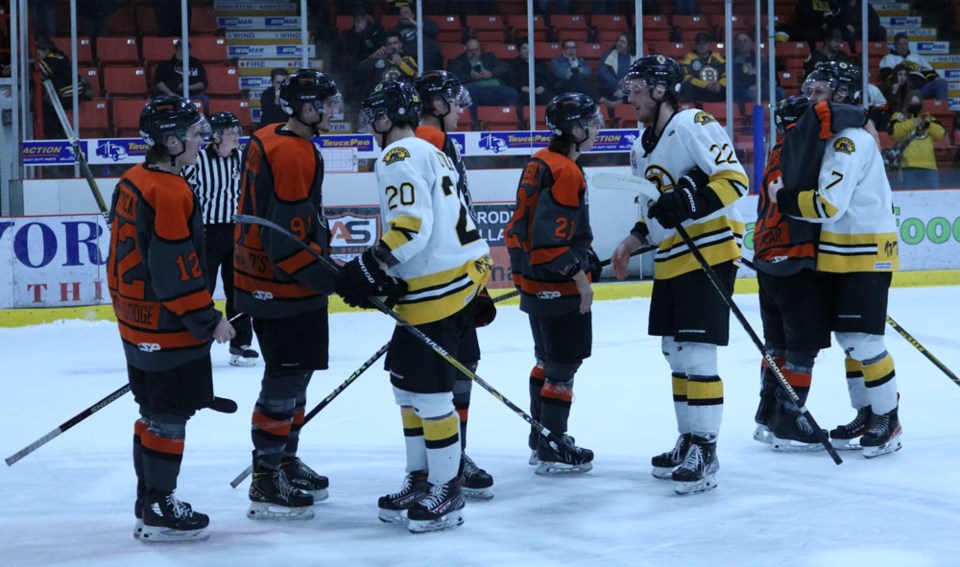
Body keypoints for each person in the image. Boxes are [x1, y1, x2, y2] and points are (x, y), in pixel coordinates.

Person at [337, 79, 491, 533]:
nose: (371, 128)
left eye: (373, 119)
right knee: (406, 387)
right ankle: (423, 477)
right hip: (455, 279)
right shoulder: (431, 150)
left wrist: (371, 264)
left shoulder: (397, 154)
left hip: (440, 290)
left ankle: (448, 489)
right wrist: (385, 277)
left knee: (427, 393)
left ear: (386, 118)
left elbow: (409, 228)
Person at [611, 55, 749, 494]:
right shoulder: (639, 146)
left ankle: (705, 450)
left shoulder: (693, 123)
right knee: (676, 352)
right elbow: (654, 214)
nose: (629, 94)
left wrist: (687, 203)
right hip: (672, 257)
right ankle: (689, 438)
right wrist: (631, 242)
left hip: (710, 250)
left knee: (697, 353)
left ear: (660, 89)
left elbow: (734, 180)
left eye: (637, 86)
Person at [106, 95, 236, 542]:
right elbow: (174, 269)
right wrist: (209, 319)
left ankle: (148, 500)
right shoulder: (168, 190)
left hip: (135, 323)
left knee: (154, 412)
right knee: (169, 416)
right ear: (169, 140)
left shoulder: (132, 179)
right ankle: (161, 504)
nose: (204, 139)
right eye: (195, 133)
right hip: (167, 328)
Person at [770, 61, 902, 460]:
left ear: (842, 94)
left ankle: (889, 419)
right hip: (844, 253)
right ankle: (866, 414)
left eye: (820, 90)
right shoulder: (836, 136)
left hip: (865, 253)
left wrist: (783, 199)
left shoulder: (849, 140)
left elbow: (828, 204)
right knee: (850, 342)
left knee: (865, 341)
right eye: (809, 88)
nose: (811, 97)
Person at [234, 70, 344, 521]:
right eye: (325, 103)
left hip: (261, 280)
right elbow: (289, 243)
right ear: (303, 107)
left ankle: (282, 460)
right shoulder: (295, 154)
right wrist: (335, 279)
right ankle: (265, 478)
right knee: (285, 379)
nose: (332, 110)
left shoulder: (266, 136)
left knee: (294, 378)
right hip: (285, 288)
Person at [752, 93, 870, 452]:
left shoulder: (776, 152)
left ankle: (768, 413)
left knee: (777, 345)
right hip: (797, 259)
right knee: (802, 348)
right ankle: (790, 417)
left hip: (767, 260)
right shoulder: (802, 149)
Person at [504, 92, 603, 476]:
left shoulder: (538, 161)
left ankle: (541, 437)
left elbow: (517, 232)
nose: (596, 128)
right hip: (558, 287)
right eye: (591, 122)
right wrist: (580, 278)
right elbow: (549, 244)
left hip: (536, 284)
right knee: (562, 367)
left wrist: (524, 278)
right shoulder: (566, 170)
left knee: (546, 361)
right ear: (574, 129)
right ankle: (554, 445)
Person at [413, 70, 496, 500]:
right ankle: (444, 460)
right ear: (438, 104)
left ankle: (448, 455)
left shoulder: (433, 139)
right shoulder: (431, 139)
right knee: (445, 373)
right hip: (445, 284)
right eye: (456, 102)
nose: (462, 110)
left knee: (453, 369)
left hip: (449, 277)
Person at [182, 111, 258, 367]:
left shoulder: (243, 157)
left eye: (238, 130)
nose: (237, 135)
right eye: (231, 132)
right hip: (207, 234)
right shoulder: (199, 160)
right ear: (215, 136)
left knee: (240, 291)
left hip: (237, 233)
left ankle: (241, 342)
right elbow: (183, 192)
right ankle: (197, 341)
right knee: (203, 289)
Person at [886, 90, 945, 189]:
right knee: (910, 200)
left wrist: (928, 125)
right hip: (908, 167)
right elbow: (894, 133)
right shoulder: (899, 117)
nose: (915, 105)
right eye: (912, 103)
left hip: (929, 167)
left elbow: (941, 135)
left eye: (917, 103)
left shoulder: (929, 118)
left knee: (934, 200)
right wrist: (913, 123)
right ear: (907, 103)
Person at [36, 37, 92, 140]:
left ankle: (53, 135)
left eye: (38, 54)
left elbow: (38, 75)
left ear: (46, 51)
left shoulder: (49, 61)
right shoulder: (61, 57)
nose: (38, 57)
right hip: (78, 92)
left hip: (68, 95)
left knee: (47, 106)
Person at [448, 39, 519, 112]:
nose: (473, 52)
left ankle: (508, 118)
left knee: (512, 93)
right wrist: (471, 77)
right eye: (470, 50)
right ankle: (473, 121)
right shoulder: (460, 62)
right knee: (467, 91)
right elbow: (455, 78)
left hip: (495, 88)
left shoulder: (489, 57)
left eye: (476, 50)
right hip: (476, 90)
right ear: (466, 51)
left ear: (480, 50)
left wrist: (490, 73)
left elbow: (504, 66)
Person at [878, 32, 948, 101]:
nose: (903, 47)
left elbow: (929, 72)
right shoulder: (889, 58)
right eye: (901, 44)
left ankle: (941, 110)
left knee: (941, 82)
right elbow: (886, 75)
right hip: (903, 90)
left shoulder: (917, 57)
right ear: (895, 45)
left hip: (921, 90)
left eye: (906, 44)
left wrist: (935, 77)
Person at [731, 32, 785, 109]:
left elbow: (774, 78)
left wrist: (761, 85)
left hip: (763, 88)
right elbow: (736, 80)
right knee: (752, 94)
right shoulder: (733, 60)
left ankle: (778, 116)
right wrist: (749, 85)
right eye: (739, 41)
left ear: (750, 43)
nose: (742, 43)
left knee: (779, 91)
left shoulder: (761, 59)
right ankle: (752, 118)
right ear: (736, 44)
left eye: (745, 41)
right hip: (746, 91)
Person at [154, 39, 209, 110]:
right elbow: (158, 82)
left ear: (190, 51)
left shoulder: (196, 64)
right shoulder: (165, 65)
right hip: (169, 96)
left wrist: (188, 87)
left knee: (205, 99)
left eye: (185, 49)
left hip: (192, 97)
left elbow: (203, 83)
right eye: (179, 49)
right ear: (176, 50)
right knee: (157, 101)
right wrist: (171, 94)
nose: (181, 51)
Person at [506, 38, 555, 107]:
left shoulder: (541, 63)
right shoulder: (514, 64)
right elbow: (511, 80)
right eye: (524, 48)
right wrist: (522, 87)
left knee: (552, 100)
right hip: (524, 92)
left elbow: (550, 78)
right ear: (519, 51)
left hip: (540, 90)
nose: (527, 51)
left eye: (530, 48)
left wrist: (543, 87)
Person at [679, 32, 726, 103]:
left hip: (716, 89)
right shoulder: (689, 57)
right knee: (686, 86)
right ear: (696, 45)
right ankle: (690, 111)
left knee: (734, 85)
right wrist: (705, 85)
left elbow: (727, 72)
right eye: (699, 43)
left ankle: (733, 111)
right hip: (700, 90)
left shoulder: (717, 57)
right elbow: (686, 77)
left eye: (705, 43)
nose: (702, 46)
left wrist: (720, 84)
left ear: (709, 44)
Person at [392, 4, 441, 72]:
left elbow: (435, 30)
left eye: (406, 12)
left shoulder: (423, 22)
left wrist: (416, 24)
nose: (403, 15)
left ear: (413, 15)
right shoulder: (397, 30)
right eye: (401, 14)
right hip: (411, 57)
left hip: (429, 55)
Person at [597, 32, 637, 109]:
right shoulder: (608, 54)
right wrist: (618, 86)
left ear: (629, 46)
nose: (618, 43)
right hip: (611, 86)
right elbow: (602, 72)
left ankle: (615, 104)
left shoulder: (635, 57)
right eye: (618, 41)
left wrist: (624, 88)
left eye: (622, 42)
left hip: (628, 88)